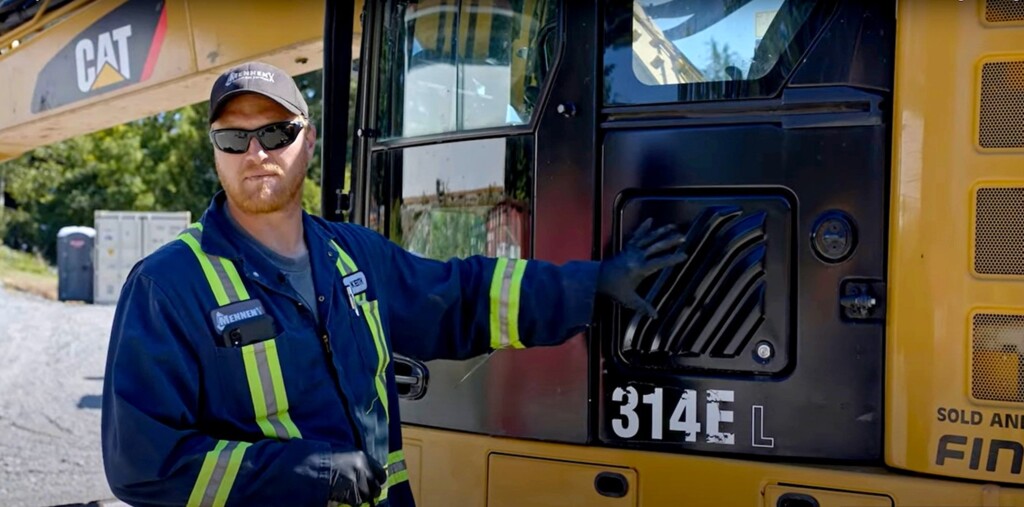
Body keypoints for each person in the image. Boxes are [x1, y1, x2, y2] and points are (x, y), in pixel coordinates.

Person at [100, 61, 687, 507]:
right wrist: (306, 472)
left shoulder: (352, 256)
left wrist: (593, 285)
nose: (256, 153)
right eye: (234, 139)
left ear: (308, 140)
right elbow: (144, 463)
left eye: (276, 134)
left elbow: (461, 297)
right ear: (216, 152)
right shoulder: (167, 285)